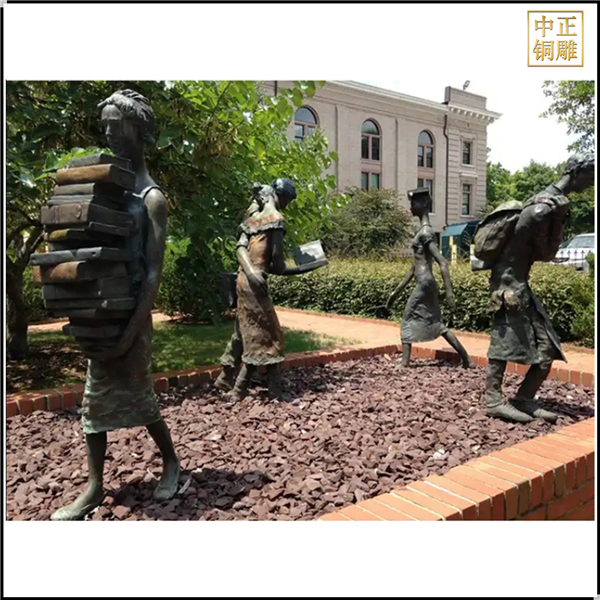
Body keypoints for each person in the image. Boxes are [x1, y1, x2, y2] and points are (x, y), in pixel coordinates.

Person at [51, 90, 180, 520]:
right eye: (104, 124)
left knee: (139, 396)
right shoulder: (107, 191)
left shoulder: (151, 199)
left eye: (115, 125)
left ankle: (171, 461)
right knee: (94, 401)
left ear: (137, 130)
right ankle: (94, 486)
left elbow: (152, 273)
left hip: (131, 317)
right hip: (101, 314)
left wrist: (131, 330)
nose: (107, 132)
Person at [483, 153, 595, 423]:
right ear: (576, 172)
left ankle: (524, 398)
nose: (592, 183)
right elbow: (545, 254)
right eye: (590, 176)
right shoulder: (542, 209)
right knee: (502, 342)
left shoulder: (551, 203)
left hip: (520, 283)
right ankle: (493, 400)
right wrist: (559, 219)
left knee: (548, 346)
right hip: (508, 285)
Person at [220, 178, 324, 402]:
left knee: (245, 329)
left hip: (242, 280)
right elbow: (278, 266)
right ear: (283, 197)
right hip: (254, 283)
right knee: (269, 336)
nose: (288, 205)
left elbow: (240, 246)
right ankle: (242, 389)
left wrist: (248, 270)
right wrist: (307, 267)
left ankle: (227, 377)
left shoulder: (253, 217)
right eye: (289, 200)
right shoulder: (276, 220)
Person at [383, 187, 474, 369]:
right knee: (438, 324)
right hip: (426, 284)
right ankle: (467, 359)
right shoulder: (422, 232)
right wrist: (395, 293)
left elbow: (443, 262)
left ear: (424, 203)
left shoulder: (426, 233)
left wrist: (449, 293)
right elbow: (413, 268)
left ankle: (404, 363)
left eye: (413, 202)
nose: (410, 206)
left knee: (407, 318)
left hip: (425, 284)